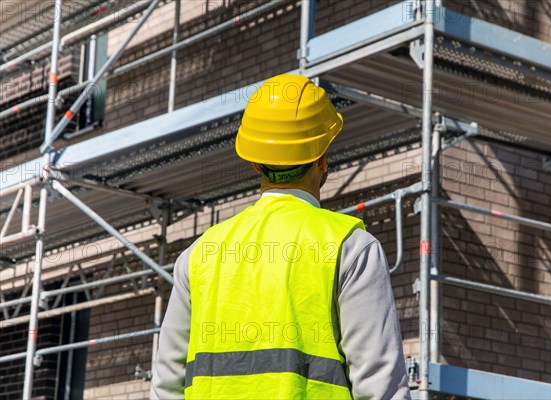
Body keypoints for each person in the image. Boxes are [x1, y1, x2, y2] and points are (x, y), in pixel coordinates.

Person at [150, 74, 410, 399]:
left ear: (255, 164)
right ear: (323, 159)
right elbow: (381, 387)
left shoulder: (200, 254)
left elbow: (165, 387)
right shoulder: (350, 248)